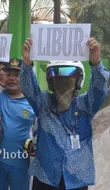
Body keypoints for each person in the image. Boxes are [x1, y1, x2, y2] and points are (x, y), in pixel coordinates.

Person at [20, 37, 109, 190]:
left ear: (78, 81)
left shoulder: (85, 105)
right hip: (46, 177)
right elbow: (28, 88)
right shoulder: (42, 103)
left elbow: (100, 89)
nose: (63, 83)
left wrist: (96, 63)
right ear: (50, 82)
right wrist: (27, 63)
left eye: (68, 80)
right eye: (58, 79)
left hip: (76, 178)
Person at [0, 58, 35, 190]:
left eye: (17, 75)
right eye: (9, 74)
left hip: (21, 163)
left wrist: (35, 145)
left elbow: (41, 130)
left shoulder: (33, 102)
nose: (12, 78)